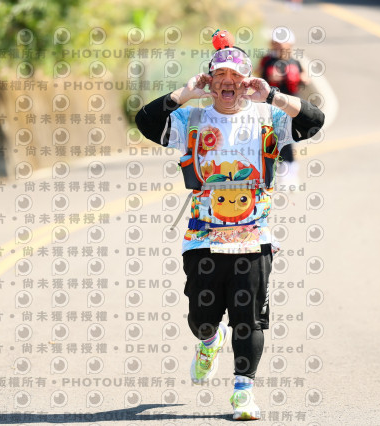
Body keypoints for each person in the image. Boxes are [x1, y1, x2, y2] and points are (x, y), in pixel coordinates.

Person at [135, 29, 323, 421]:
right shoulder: (191, 118)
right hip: (203, 236)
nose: (228, 82)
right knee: (202, 319)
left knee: (248, 319)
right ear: (210, 80)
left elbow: (313, 121)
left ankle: (243, 393)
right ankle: (209, 340)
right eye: (220, 75)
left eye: (235, 76)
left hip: (254, 236)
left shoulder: (268, 116)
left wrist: (272, 95)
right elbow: (146, 122)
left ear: (246, 81)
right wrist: (185, 93)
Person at [259, 28, 309, 188]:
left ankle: (290, 175)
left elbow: (304, 78)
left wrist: (302, 78)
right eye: (277, 44)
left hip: (290, 107)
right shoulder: (267, 61)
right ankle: (274, 175)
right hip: (271, 107)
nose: (280, 47)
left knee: (287, 140)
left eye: (283, 44)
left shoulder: (295, 62)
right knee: (271, 140)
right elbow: (259, 77)